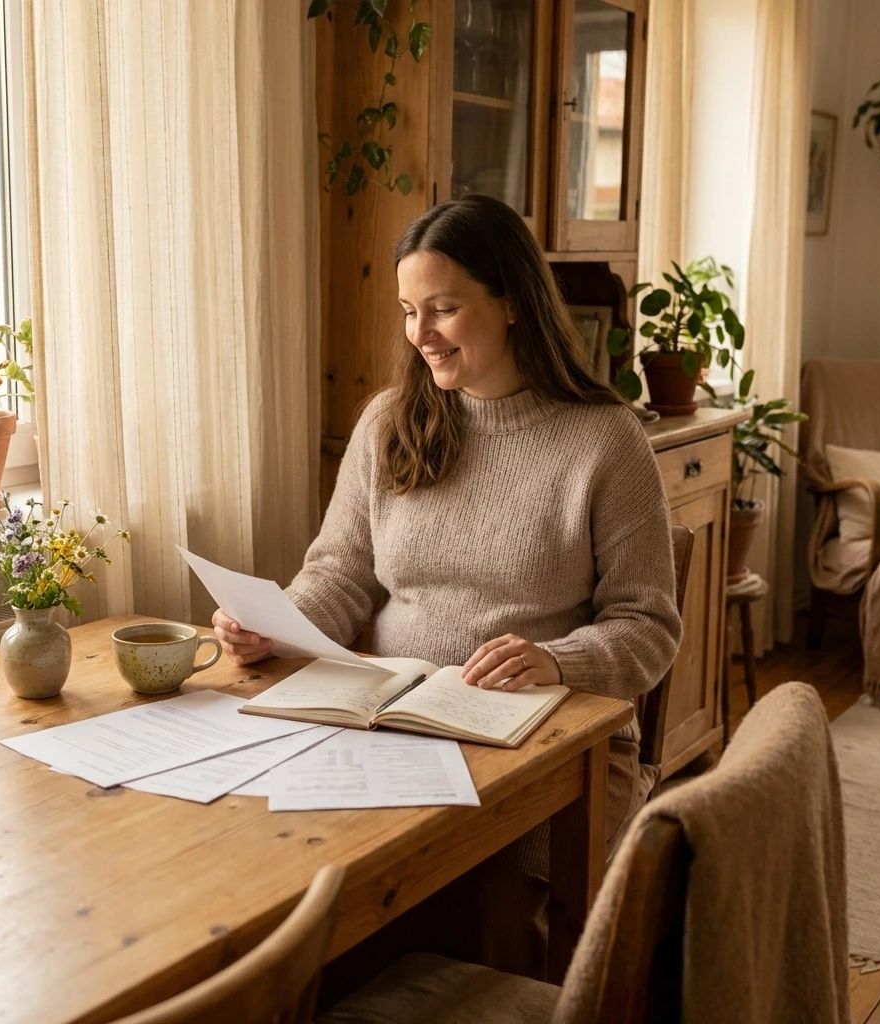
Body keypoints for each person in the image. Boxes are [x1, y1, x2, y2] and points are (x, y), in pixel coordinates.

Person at [213, 194, 682, 976]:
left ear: (511, 304)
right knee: (298, 880)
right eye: (408, 311)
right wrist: (280, 624)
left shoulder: (604, 439)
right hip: (390, 725)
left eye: (444, 309)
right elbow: (341, 570)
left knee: (476, 910)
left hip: (549, 747)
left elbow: (649, 624)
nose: (420, 335)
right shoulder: (388, 422)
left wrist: (558, 661)